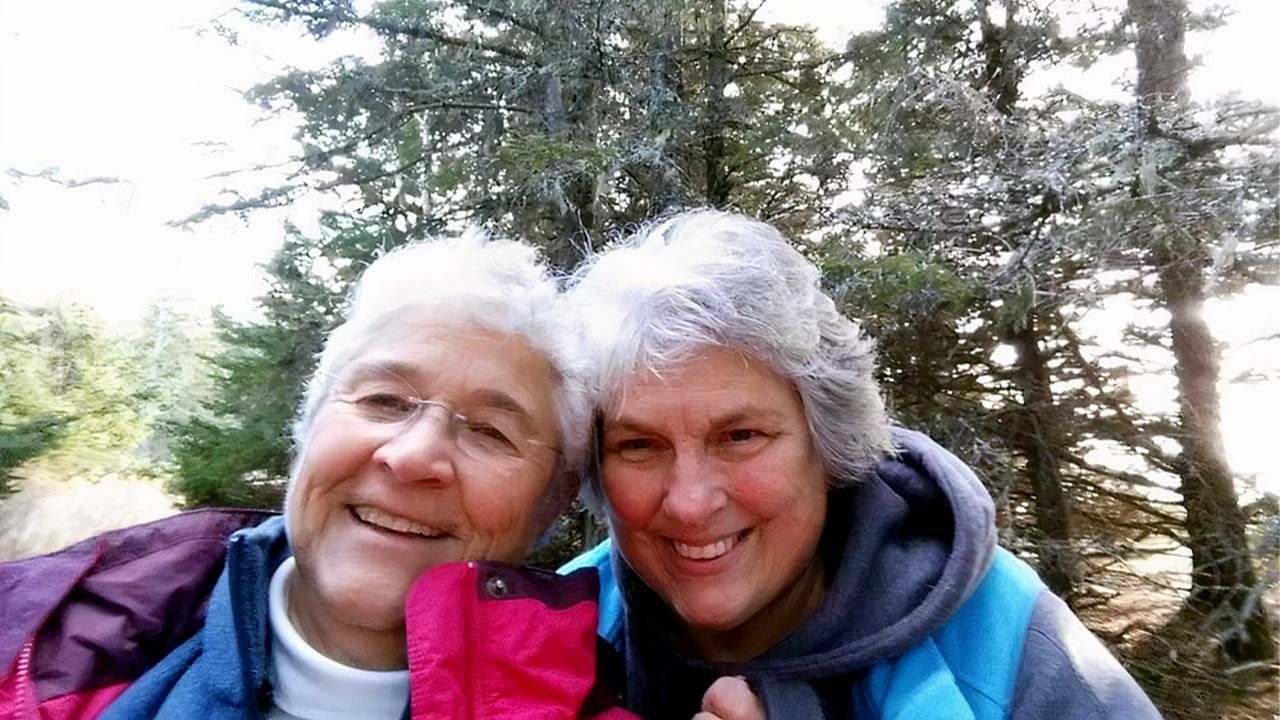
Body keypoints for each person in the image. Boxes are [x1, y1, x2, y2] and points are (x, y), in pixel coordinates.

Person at [0, 231, 633, 719]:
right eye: (384, 401)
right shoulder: (41, 646)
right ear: (307, 428)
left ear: (550, 506)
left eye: (490, 432)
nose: (412, 456)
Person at [560, 210, 1161, 719]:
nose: (690, 502)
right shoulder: (548, 625)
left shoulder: (1001, 644)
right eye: (638, 446)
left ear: (828, 445)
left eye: (740, 436)